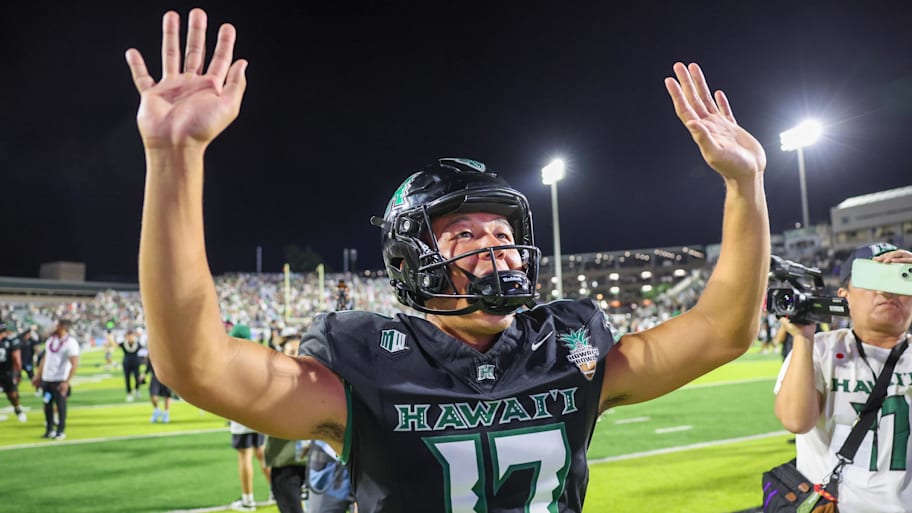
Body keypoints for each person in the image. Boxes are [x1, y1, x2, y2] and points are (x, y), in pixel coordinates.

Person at [127, 9, 769, 512]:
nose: (496, 244)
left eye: (502, 230)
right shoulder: (366, 363)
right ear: (411, 260)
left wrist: (746, 186)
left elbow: (721, 331)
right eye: (464, 234)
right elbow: (198, 366)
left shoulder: (567, 347)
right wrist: (174, 159)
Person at [774, 242, 912, 512]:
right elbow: (795, 420)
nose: (886, 291)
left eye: (900, 279)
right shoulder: (820, 349)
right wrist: (803, 338)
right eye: (872, 278)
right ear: (844, 296)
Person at [264, 328, 311, 513]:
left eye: (301, 351)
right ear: (282, 355)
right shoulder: (271, 385)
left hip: (316, 463)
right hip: (285, 462)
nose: (297, 356)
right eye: (291, 352)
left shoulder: (319, 383)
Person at [226, 323, 271, 512]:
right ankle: (276, 491)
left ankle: (247, 500)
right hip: (258, 414)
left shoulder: (231, 360)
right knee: (261, 453)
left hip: (241, 415)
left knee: (245, 456)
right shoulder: (259, 357)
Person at [32, 319, 79, 440]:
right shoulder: (51, 341)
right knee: (47, 404)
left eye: (56, 325)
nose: (53, 327)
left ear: (62, 327)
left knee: (60, 405)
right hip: (47, 379)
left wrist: (66, 382)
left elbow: (74, 363)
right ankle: (49, 430)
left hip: (60, 379)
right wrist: (38, 375)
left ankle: (60, 431)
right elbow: (45, 359)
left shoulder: (71, 343)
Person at [0, 322, 26, 422]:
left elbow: (16, 358)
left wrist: (17, 373)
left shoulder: (10, 341)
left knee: (12, 395)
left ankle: (18, 410)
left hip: (7, 372)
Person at [119, 328, 144, 401]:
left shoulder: (137, 343)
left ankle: (137, 389)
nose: (130, 337)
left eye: (131, 335)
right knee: (127, 379)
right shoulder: (123, 344)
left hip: (136, 362)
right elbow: (115, 344)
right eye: (129, 335)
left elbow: (143, 349)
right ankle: (129, 393)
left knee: (137, 378)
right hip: (126, 363)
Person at [147, 359, 173, 423]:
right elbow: (149, 363)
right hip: (155, 376)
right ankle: (157, 410)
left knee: (167, 395)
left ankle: (166, 414)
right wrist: (145, 373)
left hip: (166, 375)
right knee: (153, 394)